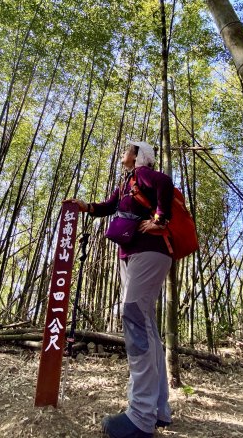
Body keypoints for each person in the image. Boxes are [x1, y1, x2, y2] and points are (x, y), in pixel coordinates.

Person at [68, 141, 174, 438]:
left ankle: (140, 418)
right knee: (146, 324)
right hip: (132, 254)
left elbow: (165, 182)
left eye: (128, 150)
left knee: (133, 316)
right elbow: (110, 206)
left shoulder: (145, 174)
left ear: (139, 155)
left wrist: (160, 219)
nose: (123, 154)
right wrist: (86, 207)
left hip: (149, 251)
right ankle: (158, 410)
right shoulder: (128, 181)